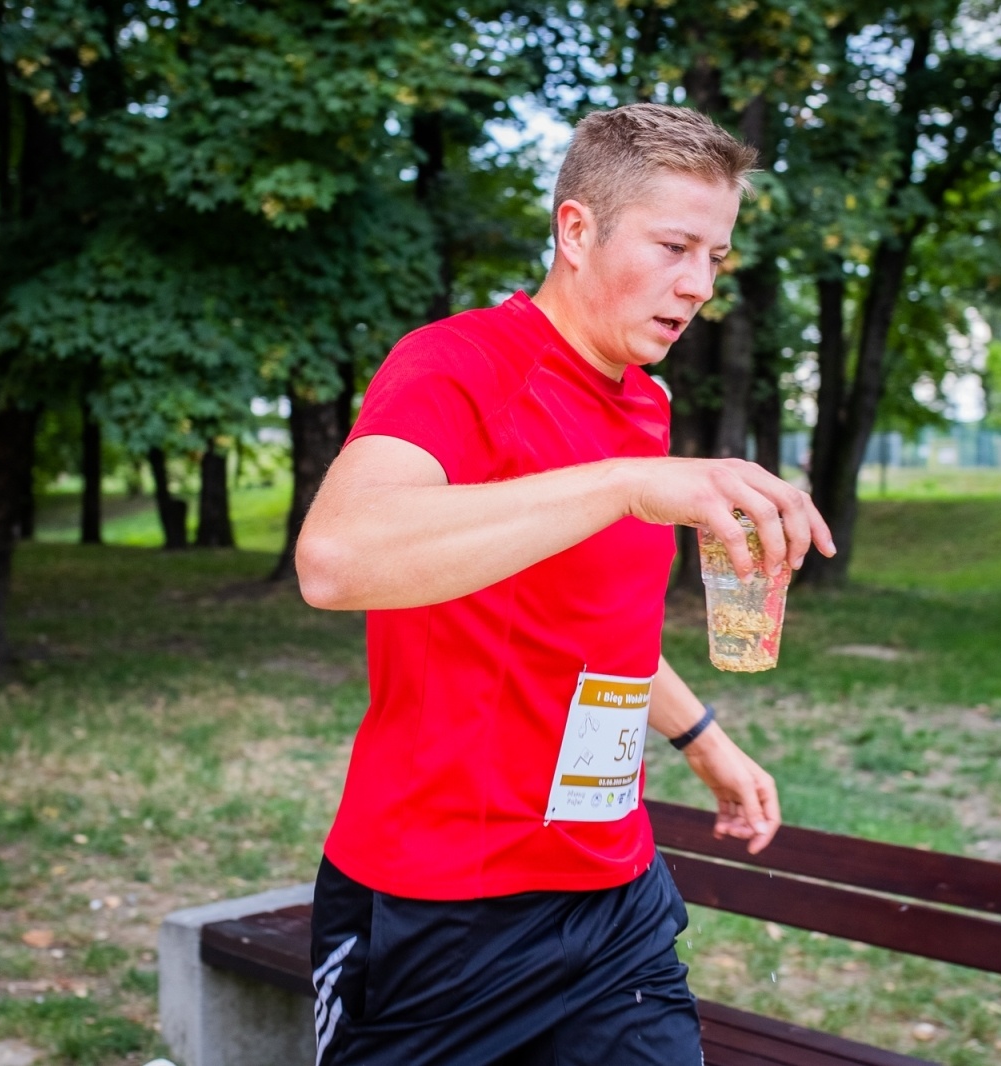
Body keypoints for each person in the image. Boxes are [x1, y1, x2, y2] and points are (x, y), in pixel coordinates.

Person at [294, 102, 834, 1066]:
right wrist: (626, 485)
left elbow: (587, 619)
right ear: (575, 230)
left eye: (715, 257)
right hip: (440, 910)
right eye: (674, 246)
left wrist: (703, 740)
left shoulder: (647, 400)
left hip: (611, 895)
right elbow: (336, 559)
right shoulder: (456, 365)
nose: (697, 284)